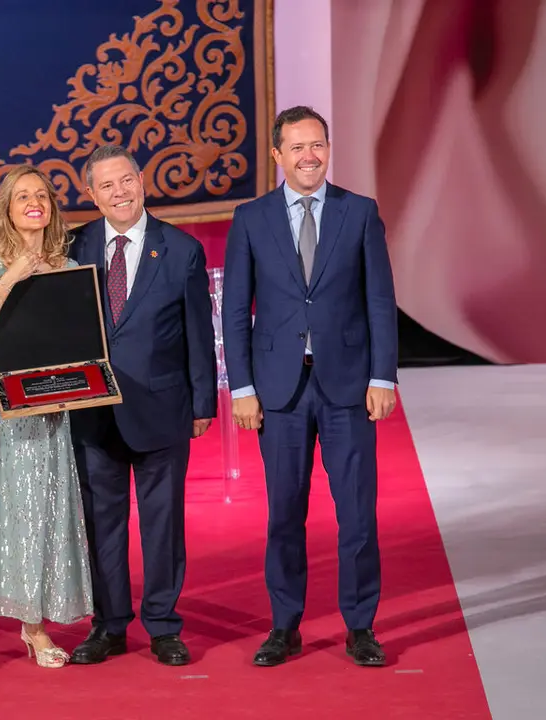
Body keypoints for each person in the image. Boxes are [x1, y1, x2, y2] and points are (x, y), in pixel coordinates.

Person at [0, 145, 216, 666]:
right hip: (91, 409)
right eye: (106, 185)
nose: (119, 192)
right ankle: (109, 625)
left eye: (126, 181)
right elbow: (21, 264)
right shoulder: (73, 246)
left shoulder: (182, 249)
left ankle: (164, 627)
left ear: (141, 181)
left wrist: (202, 403)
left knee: (163, 526)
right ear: (92, 195)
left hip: (162, 406)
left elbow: (198, 331)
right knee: (100, 525)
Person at [221, 106, 398, 668]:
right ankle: (284, 625)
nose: (309, 156)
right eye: (297, 147)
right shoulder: (251, 218)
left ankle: (361, 627)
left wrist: (382, 376)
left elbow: (379, 300)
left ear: (328, 148)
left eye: (317, 145)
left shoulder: (359, 212)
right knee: (283, 515)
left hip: (348, 386)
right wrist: (242, 388)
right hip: (279, 392)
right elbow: (235, 311)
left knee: (358, 515)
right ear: (277, 155)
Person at [0, 165, 93, 675]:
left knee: (37, 509)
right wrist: (11, 276)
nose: (34, 202)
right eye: (23, 196)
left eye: (42, 195)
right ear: (6, 209)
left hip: (47, 401)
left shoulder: (68, 265)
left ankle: (33, 625)